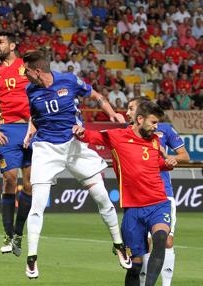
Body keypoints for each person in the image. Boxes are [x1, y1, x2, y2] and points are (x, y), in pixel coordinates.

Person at [21, 50, 130, 279]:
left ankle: (118, 244)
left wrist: (112, 114)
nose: (25, 74)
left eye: (27, 71)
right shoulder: (30, 90)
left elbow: (95, 95)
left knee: (102, 197)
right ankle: (32, 258)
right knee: (37, 203)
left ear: (38, 71)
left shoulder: (68, 80)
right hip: (46, 149)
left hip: (75, 145)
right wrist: (30, 131)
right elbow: (34, 116)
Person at [73, 101, 177, 286]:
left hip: (158, 203)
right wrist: (80, 132)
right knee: (135, 266)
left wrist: (166, 163)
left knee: (160, 239)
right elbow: (91, 136)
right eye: (153, 122)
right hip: (133, 210)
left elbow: (152, 164)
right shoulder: (117, 136)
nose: (156, 127)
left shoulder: (154, 140)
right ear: (140, 119)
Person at [126, 98, 190, 286]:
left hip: (163, 193)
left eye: (132, 107)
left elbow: (185, 156)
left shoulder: (165, 130)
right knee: (143, 246)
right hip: (138, 196)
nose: (128, 112)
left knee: (166, 240)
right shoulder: (127, 132)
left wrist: (168, 156)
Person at [0, 30, 33, 257]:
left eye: (0, 42)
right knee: (9, 178)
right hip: (9, 130)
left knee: (30, 185)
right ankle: (8, 232)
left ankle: (19, 234)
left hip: (33, 129)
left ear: (13, 46)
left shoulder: (28, 67)